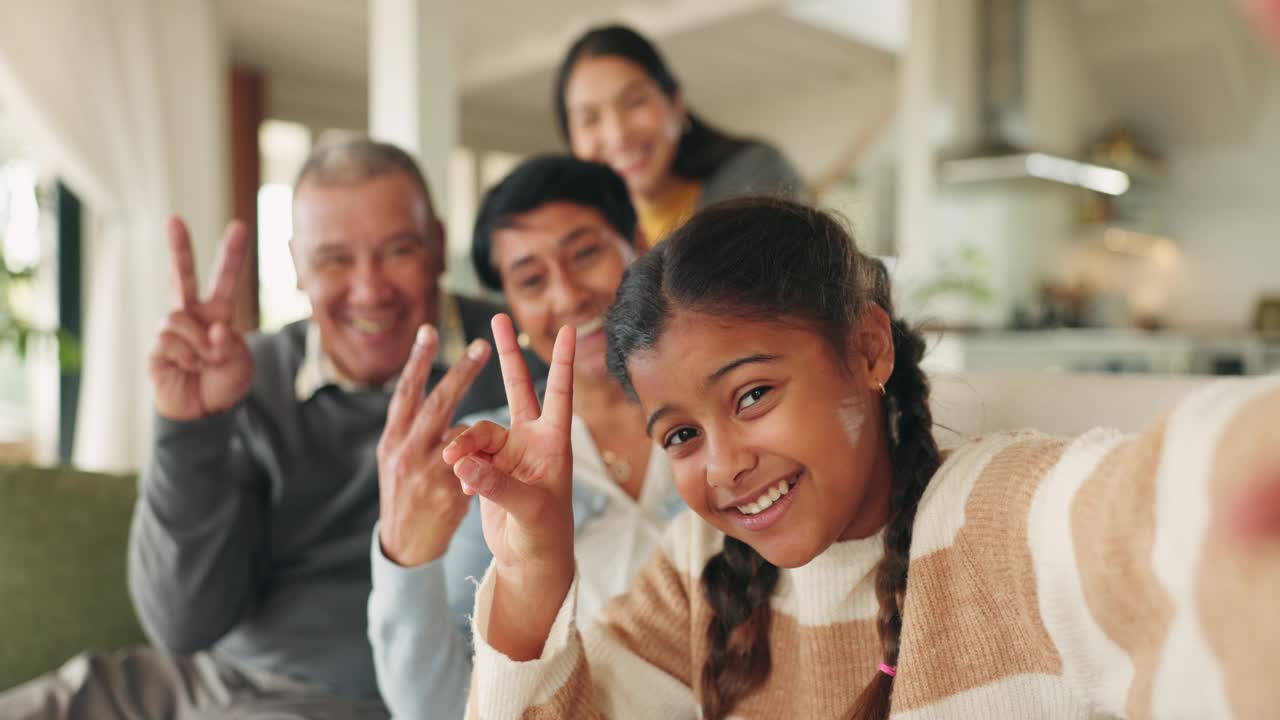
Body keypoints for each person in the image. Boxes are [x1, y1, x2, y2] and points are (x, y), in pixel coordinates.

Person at [447, 196, 1280, 719]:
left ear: (869, 349)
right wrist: (531, 567)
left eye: (752, 396)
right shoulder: (699, 568)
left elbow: (1165, 503)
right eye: (681, 436)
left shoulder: (997, 518)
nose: (727, 463)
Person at [0, 138, 496, 719]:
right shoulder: (245, 375)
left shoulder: (516, 367)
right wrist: (189, 430)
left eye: (398, 250)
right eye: (334, 258)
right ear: (296, 265)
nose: (368, 289)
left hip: (346, 701)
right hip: (195, 680)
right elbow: (182, 626)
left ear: (438, 245)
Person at [368, 155, 686, 719]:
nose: (566, 296)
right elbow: (433, 708)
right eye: (532, 279)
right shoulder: (497, 462)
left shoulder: (726, 409)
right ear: (510, 305)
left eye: (586, 253)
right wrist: (404, 558)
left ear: (637, 243)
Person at [555, 24, 806, 247]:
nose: (617, 135)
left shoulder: (755, 177)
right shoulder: (588, 236)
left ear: (675, 103)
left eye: (635, 102)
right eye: (589, 119)